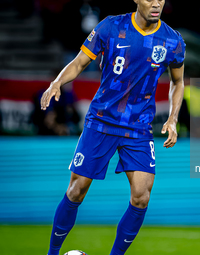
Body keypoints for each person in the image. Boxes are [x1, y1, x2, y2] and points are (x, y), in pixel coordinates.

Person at [40, 0, 185, 254]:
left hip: (138, 127)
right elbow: (78, 63)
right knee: (76, 191)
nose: (156, 3)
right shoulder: (111, 27)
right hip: (102, 121)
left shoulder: (172, 40)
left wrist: (172, 118)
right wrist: (57, 82)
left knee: (141, 196)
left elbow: (178, 82)